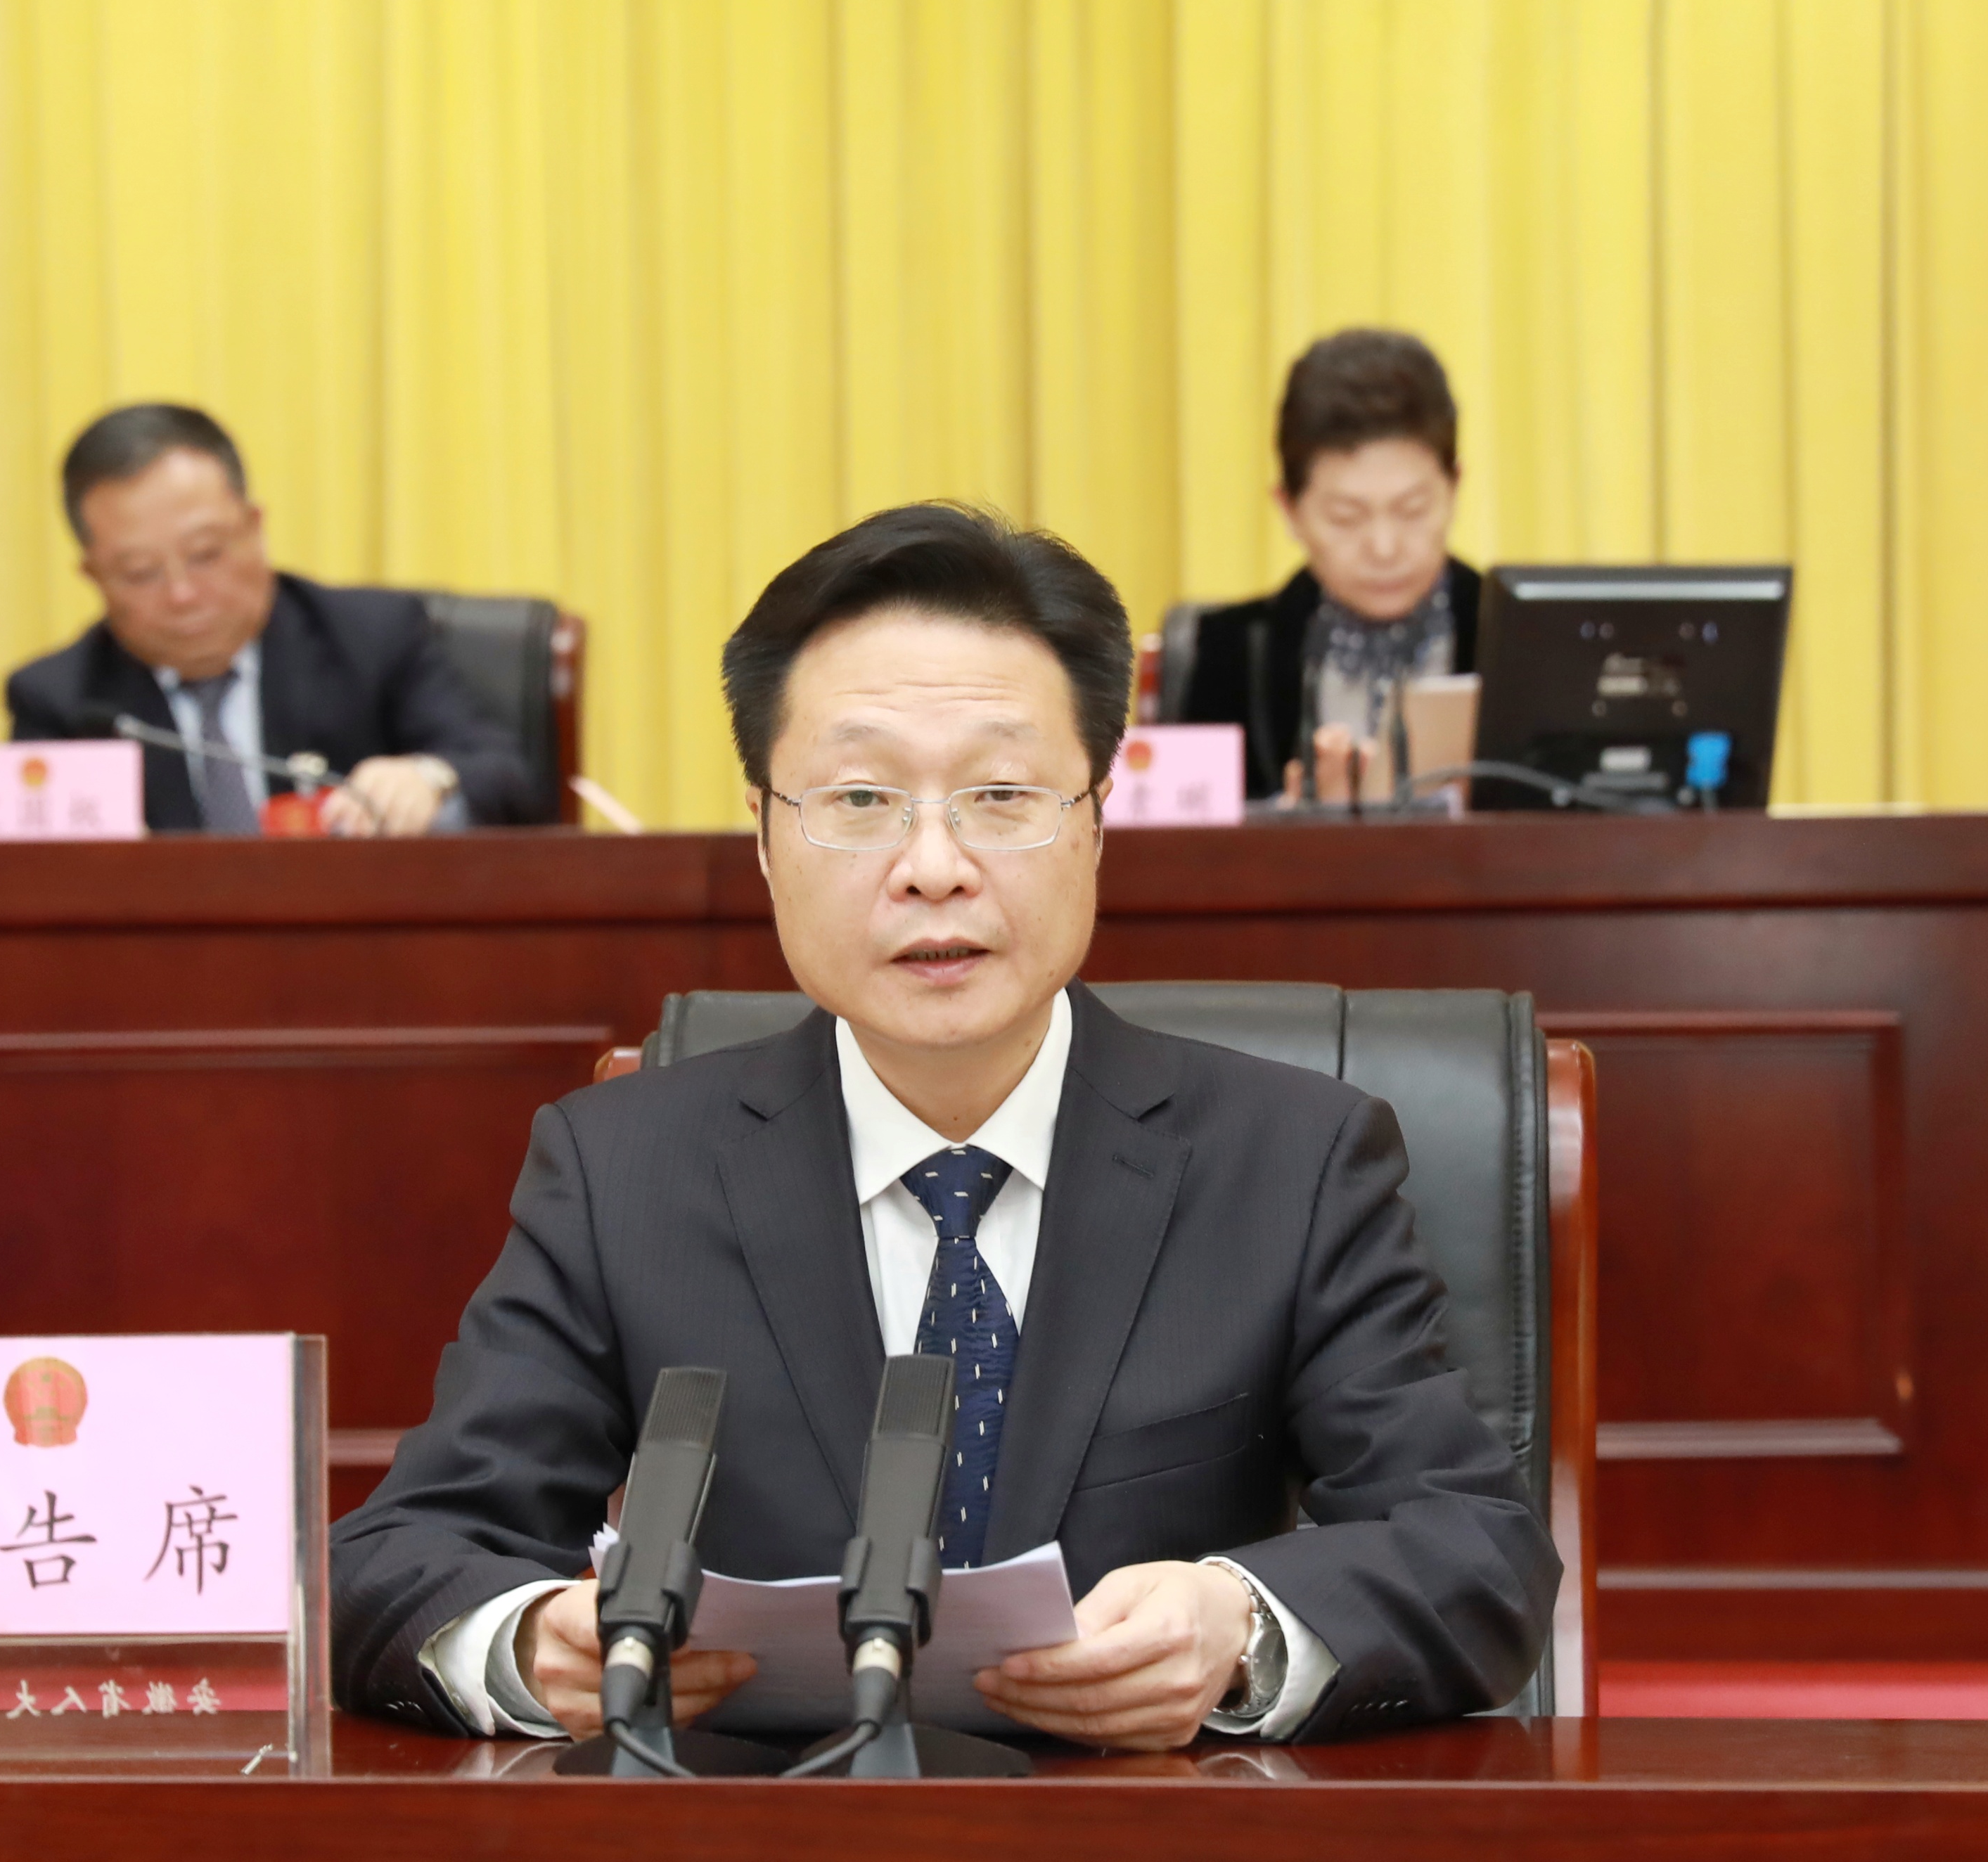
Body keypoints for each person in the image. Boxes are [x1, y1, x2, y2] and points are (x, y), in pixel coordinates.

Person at [333, 501, 1557, 1751]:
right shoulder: (620, 1172)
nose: (932, 866)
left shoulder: (1290, 1162)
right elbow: (397, 1556)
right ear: (763, 837)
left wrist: (1238, 1627)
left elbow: (1477, 1549)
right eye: (861, 798)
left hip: (1151, 1840)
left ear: (1095, 821)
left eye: (1000, 794)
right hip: (753, 1846)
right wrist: (526, 1642)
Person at [2, 402, 539, 833]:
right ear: (93, 575)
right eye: (140, 573)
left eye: (206, 554)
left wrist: (428, 778)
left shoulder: (369, 637)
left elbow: (505, 773)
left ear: (254, 526)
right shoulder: (62, 702)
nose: (182, 594)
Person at [1175, 328, 1482, 802]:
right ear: (1289, 510)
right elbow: (1189, 834)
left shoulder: (1523, 639)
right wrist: (1290, 826)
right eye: (1346, 517)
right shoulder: (1232, 654)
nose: (1384, 547)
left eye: (1413, 509)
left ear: (1454, 487)